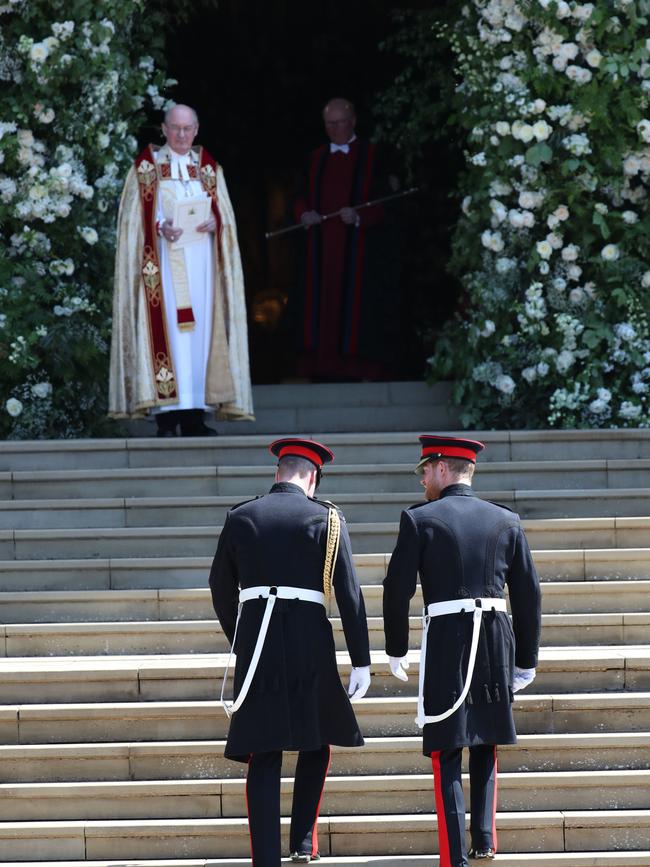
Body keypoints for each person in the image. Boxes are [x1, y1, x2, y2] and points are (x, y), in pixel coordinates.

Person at [209, 437, 371, 865]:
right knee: (316, 741)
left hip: (257, 640)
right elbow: (350, 594)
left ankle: (266, 857)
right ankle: (302, 842)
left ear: (277, 472)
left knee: (263, 750)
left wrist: (240, 637)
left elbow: (218, 585)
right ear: (313, 477)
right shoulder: (327, 518)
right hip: (310, 640)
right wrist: (361, 660)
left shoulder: (242, 515)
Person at [382, 435, 541, 865]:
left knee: (446, 745)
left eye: (424, 473)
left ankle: (454, 853)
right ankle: (484, 838)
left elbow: (396, 587)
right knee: (485, 737)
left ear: (440, 467)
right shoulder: (505, 520)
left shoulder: (420, 519)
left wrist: (395, 647)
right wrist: (526, 658)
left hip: (448, 638)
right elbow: (528, 594)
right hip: (494, 636)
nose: (422, 483)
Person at [109, 103, 253, 436]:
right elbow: (133, 220)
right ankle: (165, 417)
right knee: (168, 337)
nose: (182, 135)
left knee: (199, 340)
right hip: (161, 272)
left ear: (197, 130)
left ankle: (194, 417)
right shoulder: (146, 169)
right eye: (176, 128)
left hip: (202, 269)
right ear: (164, 129)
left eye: (188, 129)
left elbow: (225, 218)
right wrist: (160, 226)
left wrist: (215, 221)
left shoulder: (208, 169)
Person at [291, 97, 396, 381]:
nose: (336, 129)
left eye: (341, 122)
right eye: (330, 124)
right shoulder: (314, 159)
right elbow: (298, 195)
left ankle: (360, 368)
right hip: (320, 251)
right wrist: (304, 214)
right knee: (320, 306)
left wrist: (362, 216)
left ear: (353, 122)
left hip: (360, 251)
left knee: (358, 308)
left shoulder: (375, 156)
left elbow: (389, 201)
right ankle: (320, 367)